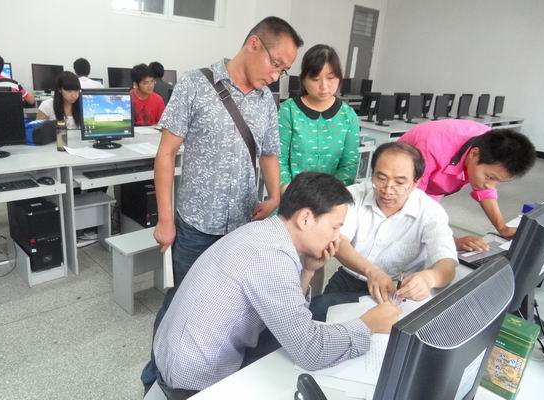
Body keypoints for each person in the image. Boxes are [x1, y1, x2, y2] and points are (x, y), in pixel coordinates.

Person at [150, 172, 400, 397]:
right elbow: (310, 350)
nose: (337, 238)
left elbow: (287, 313)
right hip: (194, 385)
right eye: (335, 227)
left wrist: (308, 270)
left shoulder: (264, 233)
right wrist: (368, 324)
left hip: (180, 362)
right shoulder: (272, 258)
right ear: (305, 218)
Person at [153, 16, 303, 286]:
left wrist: (275, 197)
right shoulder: (194, 84)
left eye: (283, 71)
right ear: (254, 44)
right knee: (184, 298)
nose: (275, 76)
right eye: (275, 64)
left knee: (229, 300)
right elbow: (166, 154)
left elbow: (269, 153)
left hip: (242, 225)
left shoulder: (266, 101)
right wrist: (165, 220)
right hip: (196, 226)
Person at [309, 142, 458, 321]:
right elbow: (338, 241)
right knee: (317, 317)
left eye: (400, 182)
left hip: (397, 292)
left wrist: (430, 278)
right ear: (372, 174)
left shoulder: (430, 211)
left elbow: (447, 263)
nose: (387, 189)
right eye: (381, 178)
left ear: (416, 183)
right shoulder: (353, 195)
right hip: (349, 279)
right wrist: (371, 271)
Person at [398, 119, 536, 252]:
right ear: (474, 154)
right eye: (490, 177)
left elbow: (485, 190)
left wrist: (502, 228)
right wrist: (451, 241)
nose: (490, 186)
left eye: (498, 181)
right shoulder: (431, 148)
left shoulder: (492, 145)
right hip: (403, 181)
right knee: (404, 232)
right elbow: (412, 202)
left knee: (429, 228)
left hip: (432, 183)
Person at [279, 44, 360, 191]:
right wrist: (290, 193)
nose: (324, 86)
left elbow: (348, 165)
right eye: (315, 79)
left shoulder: (348, 116)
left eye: (331, 78)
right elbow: (278, 160)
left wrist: (326, 198)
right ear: (303, 80)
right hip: (291, 196)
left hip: (331, 198)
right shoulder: (288, 111)